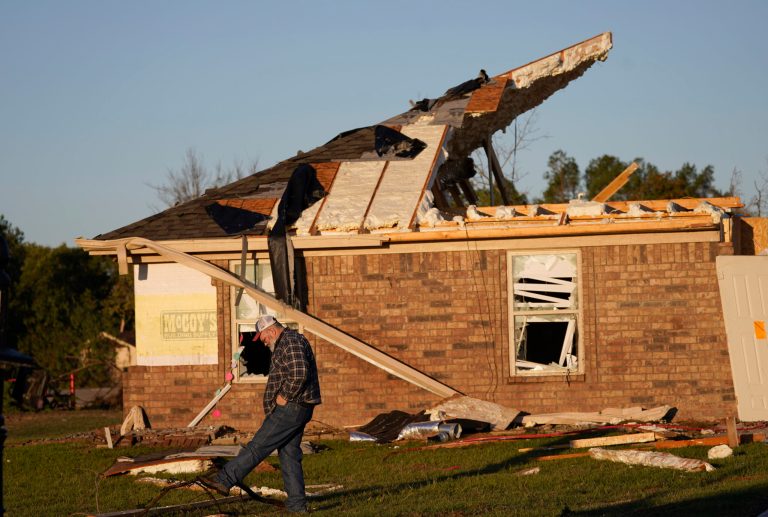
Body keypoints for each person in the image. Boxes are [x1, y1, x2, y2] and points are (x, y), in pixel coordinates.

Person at [198, 315, 321, 513]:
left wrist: (284, 395)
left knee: (258, 446)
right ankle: (297, 506)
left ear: (271, 330)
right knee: (289, 455)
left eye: (264, 338)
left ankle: (224, 479)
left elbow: (299, 373)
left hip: (292, 407)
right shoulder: (288, 341)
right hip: (298, 407)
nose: (264, 343)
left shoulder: (290, 341)